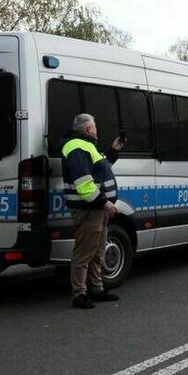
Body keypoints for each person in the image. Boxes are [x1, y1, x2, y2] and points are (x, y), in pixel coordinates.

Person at [60, 113, 123, 309]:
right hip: (89, 209)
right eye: (94, 126)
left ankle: (97, 289)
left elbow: (100, 169)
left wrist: (113, 151)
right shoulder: (76, 147)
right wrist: (105, 203)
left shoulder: (87, 145)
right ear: (88, 129)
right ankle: (79, 294)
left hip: (97, 209)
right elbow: (84, 184)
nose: (97, 129)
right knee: (84, 253)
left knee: (97, 251)